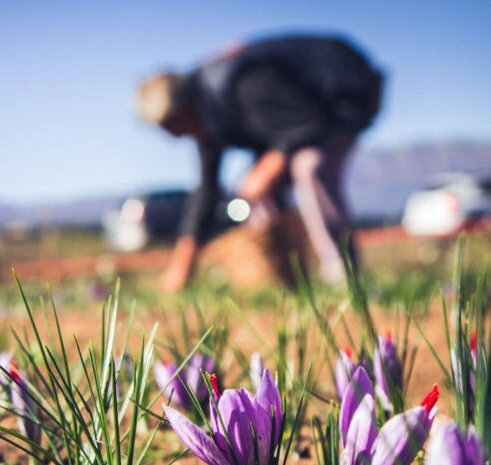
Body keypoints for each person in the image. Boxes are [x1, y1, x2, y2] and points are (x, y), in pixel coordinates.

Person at [136, 34, 384, 291]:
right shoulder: (207, 119)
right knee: (261, 189)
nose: (178, 137)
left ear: (182, 109)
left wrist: (267, 169)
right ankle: (290, 280)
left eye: (174, 128)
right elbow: (206, 191)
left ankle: (347, 279)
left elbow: (307, 124)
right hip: (303, 121)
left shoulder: (243, 85)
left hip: (344, 93)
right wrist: (182, 264)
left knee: (308, 168)